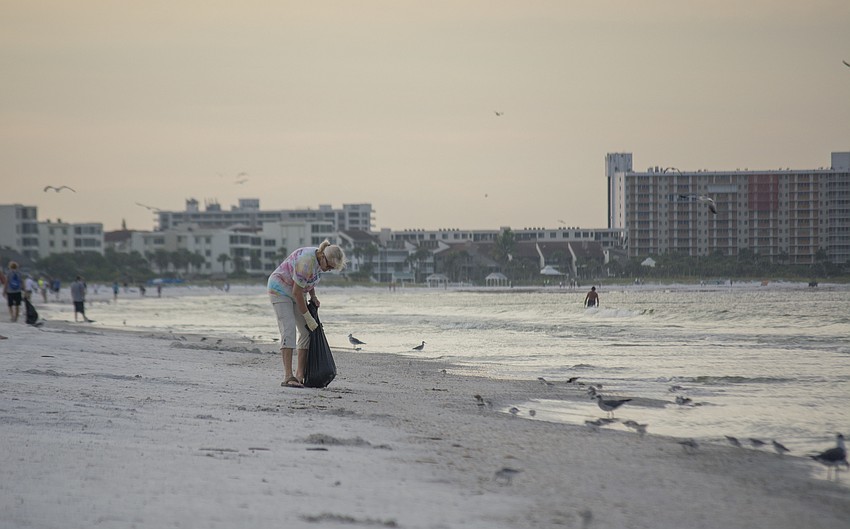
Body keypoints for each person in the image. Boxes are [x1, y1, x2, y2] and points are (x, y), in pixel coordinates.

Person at [268, 240, 346, 388]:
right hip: (279, 290)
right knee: (288, 328)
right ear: (322, 256)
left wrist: (314, 297)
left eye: (332, 268)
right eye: (329, 266)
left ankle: (300, 375)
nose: (329, 269)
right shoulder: (306, 262)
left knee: (305, 332)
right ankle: (288, 376)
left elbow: (308, 281)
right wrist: (308, 317)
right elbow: (297, 292)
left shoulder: (319, 262)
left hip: (295, 291)